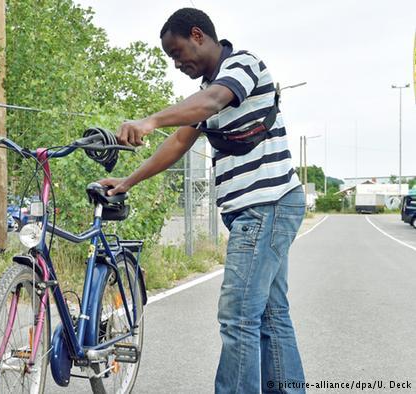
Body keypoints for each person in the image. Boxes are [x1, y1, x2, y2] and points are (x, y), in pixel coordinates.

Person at [98, 8, 306, 394]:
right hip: (260, 209)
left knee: (238, 315)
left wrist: (149, 120)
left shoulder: (242, 64)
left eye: (177, 53)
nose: (177, 64)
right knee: (270, 316)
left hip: (266, 204)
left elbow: (212, 102)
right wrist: (129, 180)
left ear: (198, 34)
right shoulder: (205, 90)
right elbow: (179, 141)